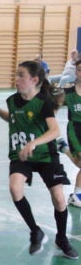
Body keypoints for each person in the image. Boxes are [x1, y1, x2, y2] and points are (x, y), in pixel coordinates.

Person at [0, 60, 78, 259]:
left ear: (34, 80)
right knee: (15, 188)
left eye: (21, 75)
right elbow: (14, 118)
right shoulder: (12, 100)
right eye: (16, 75)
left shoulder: (44, 103)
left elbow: (55, 130)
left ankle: (62, 238)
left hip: (45, 155)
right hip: (21, 154)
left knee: (59, 199)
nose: (16, 79)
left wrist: (34, 143)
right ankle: (35, 231)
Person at [55, 59, 81, 208]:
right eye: (79, 69)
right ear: (75, 72)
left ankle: (63, 148)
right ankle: (76, 195)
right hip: (75, 130)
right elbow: (52, 110)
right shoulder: (68, 93)